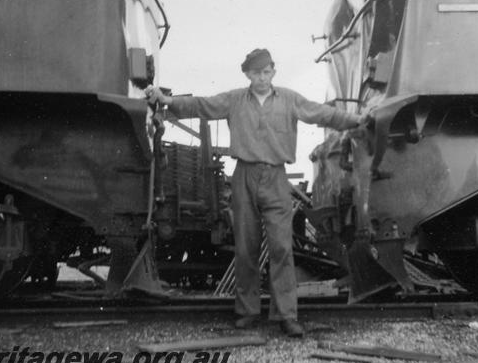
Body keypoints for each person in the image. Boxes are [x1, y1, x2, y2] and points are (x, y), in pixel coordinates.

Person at [145, 48, 366, 337]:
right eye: (256, 73)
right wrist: (167, 100)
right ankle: (247, 312)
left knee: (282, 248)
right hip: (244, 177)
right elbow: (202, 105)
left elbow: (321, 113)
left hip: (276, 178)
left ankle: (286, 316)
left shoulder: (289, 99)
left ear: (273, 72)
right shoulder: (235, 99)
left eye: (266, 72)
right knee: (246, 248)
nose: (261, 78)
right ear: (247, 75)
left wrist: (356, 121)